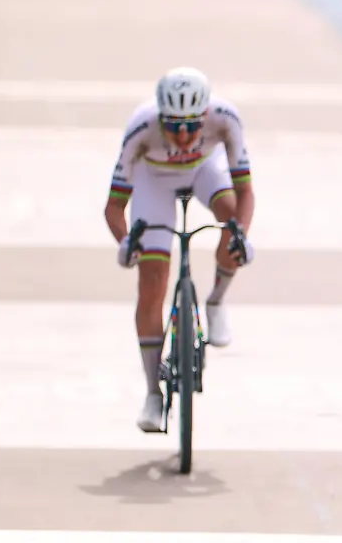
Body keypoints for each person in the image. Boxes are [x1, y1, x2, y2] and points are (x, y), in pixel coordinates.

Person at [104, 66, 256, 432]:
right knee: (153, 280)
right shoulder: (141, 129)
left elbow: (246, 192)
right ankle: (153, 394)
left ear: (206, 115)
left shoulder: (226, 118)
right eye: (173, 125)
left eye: (192, 125)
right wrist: (126, 243)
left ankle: (216, 301)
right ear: (160, 117)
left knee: (231, 221)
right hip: (153, 181)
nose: (184, 135)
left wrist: (241, 234)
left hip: (204, 172)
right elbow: (114, 206)